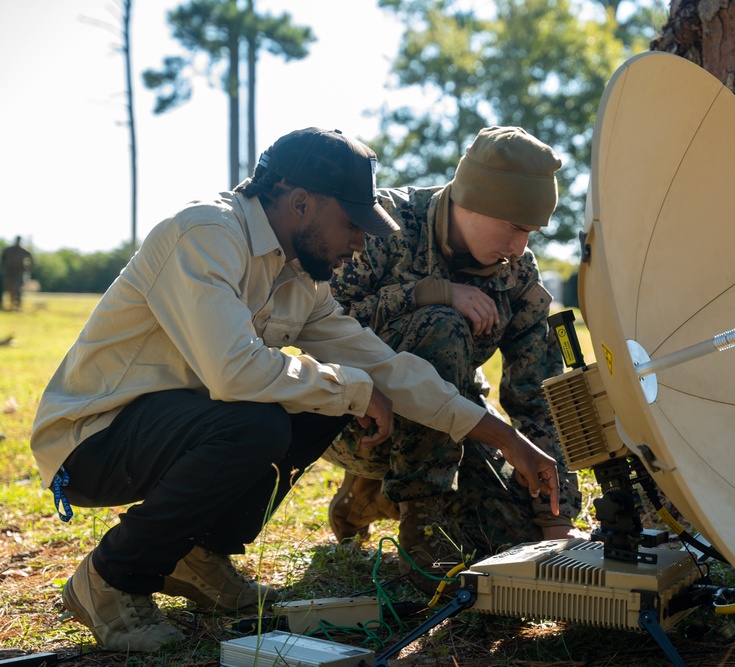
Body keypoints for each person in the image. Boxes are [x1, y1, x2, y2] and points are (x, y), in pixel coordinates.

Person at [30, 127, 561, 652]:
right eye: (352, 224)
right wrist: (352, 389)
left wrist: (505, 439)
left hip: (170, 429)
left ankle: (200, 557)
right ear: (301, 203)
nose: (359, 244)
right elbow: (234, 372)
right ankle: (110, 578)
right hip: (91, 440)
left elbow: (386, 366)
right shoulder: (205, 233)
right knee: (267, 419)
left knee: (324, 402)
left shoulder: (301, 278)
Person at [324, 126, 583, 579]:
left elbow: (537, 395)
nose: (521, 247)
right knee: (441, 325)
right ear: (472, 202)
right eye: (515, 227)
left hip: (452, 422)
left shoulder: (517, 271)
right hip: (353, 419)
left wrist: (555, 514)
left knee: (514, 534)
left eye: (532, 233)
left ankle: (371, 498)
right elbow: (323, 321)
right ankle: (422, 521)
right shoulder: (381, 223)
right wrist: (429, 293)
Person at [1, 235, 33, 311]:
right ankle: (11, 304)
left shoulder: (23, 251)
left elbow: (32, 260)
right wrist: (4, 266)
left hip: (19, 272)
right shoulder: (8, 250)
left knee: (18, 289)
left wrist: (27, 267)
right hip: (10, 271)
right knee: (9, 288)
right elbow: (2, 259)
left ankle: (17, 305)